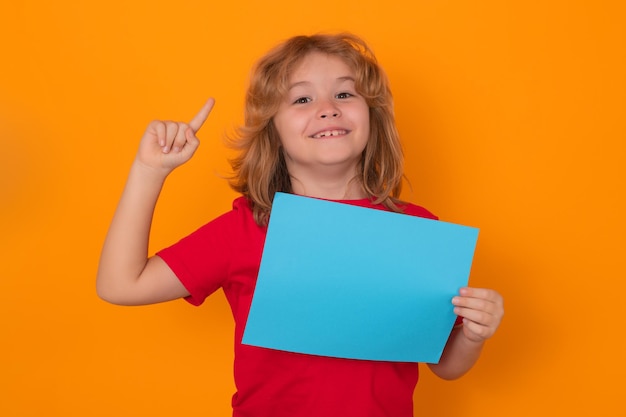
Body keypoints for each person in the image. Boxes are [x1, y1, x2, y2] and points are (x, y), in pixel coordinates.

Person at [97, 33, 504, 417]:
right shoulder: (247, 228)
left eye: (344, 93)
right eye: (302, 99)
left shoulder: (418, 230)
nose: (327, 108)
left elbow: (445, 366)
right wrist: (149, 170)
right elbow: (120, 284)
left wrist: (472, 334)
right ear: (271, 130)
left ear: (372, 117)